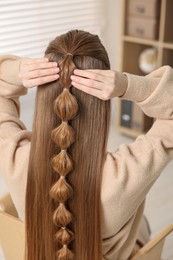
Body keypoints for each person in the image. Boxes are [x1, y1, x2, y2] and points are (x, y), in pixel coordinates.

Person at [0, 29, 173, 260]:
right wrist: (127, 85)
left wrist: (17, 70)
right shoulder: (126, 173)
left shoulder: (16, 159)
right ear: (102, 104)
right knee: (141, 222)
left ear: (43, 95)